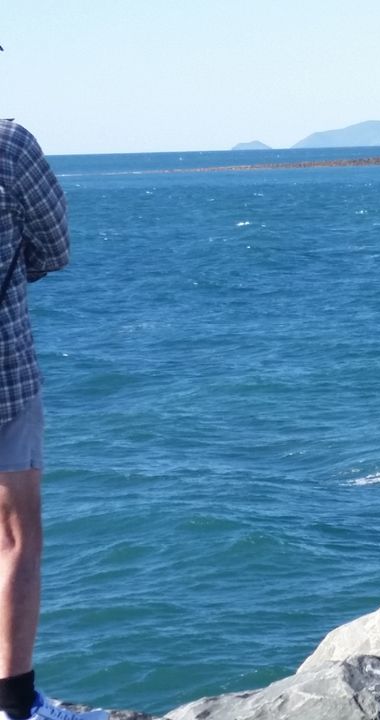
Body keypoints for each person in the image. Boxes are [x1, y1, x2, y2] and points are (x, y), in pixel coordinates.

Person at [0, 119, 102, 720]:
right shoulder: (9, 146)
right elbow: (55, 247)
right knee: (16, 540)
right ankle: (14, 706)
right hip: (4, 371)